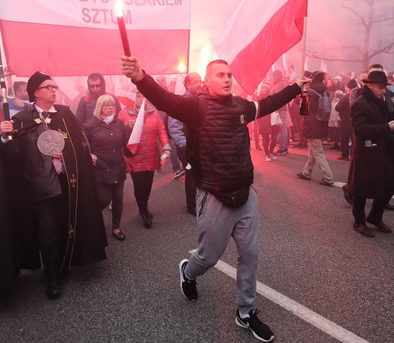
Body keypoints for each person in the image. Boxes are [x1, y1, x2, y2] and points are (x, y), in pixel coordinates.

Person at [121, 56, 309, 343]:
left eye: (229, 74)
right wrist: (140, 77)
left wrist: (296, 87)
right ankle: (188, 270)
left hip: (246, 195)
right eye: (219, 74)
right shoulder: (197, 107)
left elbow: (269, 103)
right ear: (207, 81)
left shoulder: (242, 107)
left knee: (250, 256)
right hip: (215, 196)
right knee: (208, 257)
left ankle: (245, 313)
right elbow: (165, 99)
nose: (226, 78)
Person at [0, 71, 107, 299]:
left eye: (54, 87)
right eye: (49, 87)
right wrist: (6, 138)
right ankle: (51, 276)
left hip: (68, 183)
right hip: (40, 187)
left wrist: (65, 153)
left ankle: (65, 264)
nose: (54, 90)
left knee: (66, 225)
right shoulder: (22, 119)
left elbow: (79, 146)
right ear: (36, 92)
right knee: (47, 232)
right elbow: (13, 156)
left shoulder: (66, 115)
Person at [346, 71, 394, 237]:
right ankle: (359, 221)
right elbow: (360, 130)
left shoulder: (383, 101)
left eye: (385, 87)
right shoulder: (360, 103)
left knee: (391, 183)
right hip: (367, 150)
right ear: (369, 85)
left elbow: (388, 119)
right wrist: (387, 128)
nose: (383, 90)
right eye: (380, 87)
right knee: (362, 189)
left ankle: (375, 216)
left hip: (383, 148)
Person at [118, 90, 171, 228]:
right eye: (138, 96)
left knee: (147, 184)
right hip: (134, 156)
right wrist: (125, 127)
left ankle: (144, 205)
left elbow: (161, 130)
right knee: (139, 184)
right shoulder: (124, 113)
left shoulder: (152, 112)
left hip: (150, 155)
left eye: (143, 96)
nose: (141, 99)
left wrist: (166, 146)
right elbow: (117, 133)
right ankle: (143, 210)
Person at [84, 94, 130, 241]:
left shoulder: (119, 123)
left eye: (112, 105)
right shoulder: (90, 125)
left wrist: (133, 135)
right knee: (104, 198)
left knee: (118, 199)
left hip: (118, 166)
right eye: (106, 105)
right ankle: (92, 221)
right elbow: (83, 146)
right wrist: (89, 154)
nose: (110, 108)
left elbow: (125, 144)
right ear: (99, 107)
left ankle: (116, 227)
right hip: (101, 168)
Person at [167, 72, 202, 215]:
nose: (199, 84)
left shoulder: (202, 100)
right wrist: (184, 145)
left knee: (201, 174)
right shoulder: (181, 102)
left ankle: (202, 202)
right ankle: (191, 205)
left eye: (200, 81)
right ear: (187, 84)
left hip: (202, 147)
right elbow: (174, 127)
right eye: (195, 82)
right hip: (187, 148)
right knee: (191, 173)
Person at [296, 71, 335, 186]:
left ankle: (329, 177)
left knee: (317, 152)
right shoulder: (325, 91)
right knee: (313, 150)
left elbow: (303, 110)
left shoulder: (310, 92)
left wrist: (303, 93)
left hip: (313, 125)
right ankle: (306, 172)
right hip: (321, 123)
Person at [256, 83, 280, 162]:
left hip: (272, 119)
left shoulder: (271, 97)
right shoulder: (258, 98)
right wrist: (259, 122)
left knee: (274, 137)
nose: (263, 89)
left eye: (265, 88)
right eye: (262, 88)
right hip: (263, 120)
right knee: (265, 137)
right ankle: (267, 154)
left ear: (268, 89)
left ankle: (271, 152)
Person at [335, 79, 357, 161]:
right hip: (354, 120)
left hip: (345, 121)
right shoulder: (358, 96)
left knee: (344, 138)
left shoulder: (346, 97)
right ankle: (353, 155)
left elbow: (337, 107)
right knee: (354, 139)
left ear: (349, 88)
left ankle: (345, 155)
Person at [270, 69, 289, 155]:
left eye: (273, 76)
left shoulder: (278, 85)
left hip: (279, 109)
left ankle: (282, 148)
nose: (273, 77)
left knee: (281, 129)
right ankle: (284, 146)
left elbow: (277, 99)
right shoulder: (282, 84)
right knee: (283, 128)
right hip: (282, 109)